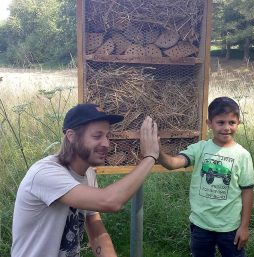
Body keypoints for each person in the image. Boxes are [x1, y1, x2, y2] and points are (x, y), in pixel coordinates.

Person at [11, 103, 159, 257]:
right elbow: (110, 201)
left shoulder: (88, 173)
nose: (106, 143)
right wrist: (149, 157)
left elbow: (96, 233)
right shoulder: (45, 174)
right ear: (71, 136)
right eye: (97, 136)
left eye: (108, 136)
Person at [158, 97, 254, 257]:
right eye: (220, 122)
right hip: (201, 225)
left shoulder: (242, 155)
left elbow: (247, 191)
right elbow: (174, 163)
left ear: (238, 123)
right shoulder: (200, 148)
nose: (226, 127)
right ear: (209, 123)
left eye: (231, 122)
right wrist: (159, 154)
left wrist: (244, 227)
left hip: (230, 227)